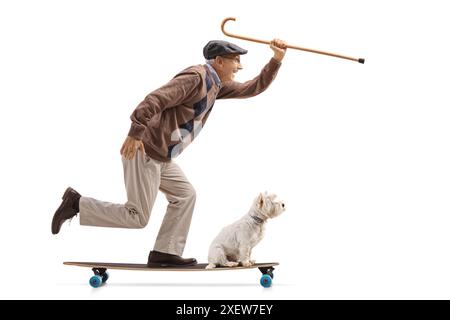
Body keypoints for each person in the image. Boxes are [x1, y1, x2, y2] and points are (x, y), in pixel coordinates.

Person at [51, 38, 287, 267]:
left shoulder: (216, 85)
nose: (240, 66)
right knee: (137, 217)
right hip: (144, 150)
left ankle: (165, 252)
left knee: (186, 195)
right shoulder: (196, 77)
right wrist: (135, 132)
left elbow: (252, 87)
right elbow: (156, 99)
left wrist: (276, 60)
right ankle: (77, 204)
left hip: (163, 157)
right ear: (219, 61)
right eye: (235, 60)